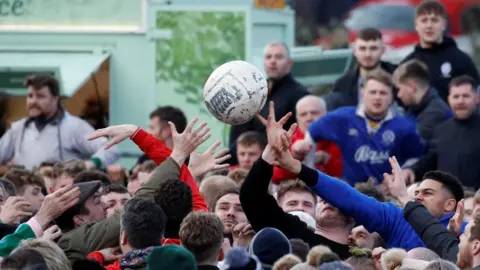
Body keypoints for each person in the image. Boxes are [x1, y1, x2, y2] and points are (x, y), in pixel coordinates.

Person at [257, 102, 464, 252]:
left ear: (449, 205)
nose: (418, 197)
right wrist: (296, 166)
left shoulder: (466, 229)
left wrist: (453, 239)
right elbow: (348, 197)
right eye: (416, 192)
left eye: (427, 193)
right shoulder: (396, 218)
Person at [55, 117, 211, 263]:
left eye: (124, 200)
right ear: (79, 219)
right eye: (97, 201)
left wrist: (187, 174)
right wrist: (177, 155)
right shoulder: (71, 241)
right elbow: (137, 204)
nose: (105, 204)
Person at [295, 71, 424, 185]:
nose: (377, 97)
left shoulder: (404, 126)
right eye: (373, 92)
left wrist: (404, 172)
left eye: (383, 93)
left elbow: (417, 157)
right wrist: (309, 167)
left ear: (391, 98)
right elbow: (312, 132)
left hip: (387, 197)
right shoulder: (343, 118)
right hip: (351, 194)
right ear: (363, 95)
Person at [0, 74, 120, 170]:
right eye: (30, 96)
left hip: (62, 195)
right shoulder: (18, 128)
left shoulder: (74, 126)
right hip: (25, 196)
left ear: (55, 99)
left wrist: (90, 164)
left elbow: (111, 149)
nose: (33, 101)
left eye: (40, 96)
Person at [228, 41, 309, 165]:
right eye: (268, 57)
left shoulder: (300, 96)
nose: (273, 61)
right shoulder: (252, 92)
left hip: (280, 165)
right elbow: (237, 135)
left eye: (279, 57)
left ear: (289, 63)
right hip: (245, 164)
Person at [403, 75, 480, 189]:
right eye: (456, 96)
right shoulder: (441, 130)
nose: (460, 101)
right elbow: (430, 160)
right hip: (446, 199)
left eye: (465, 96)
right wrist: (412, 170)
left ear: (477, 98)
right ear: (449, 99)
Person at [401, 0, 480, 102]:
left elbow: (475, 97)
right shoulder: (408, 64)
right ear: (416, 25)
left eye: (434, 20)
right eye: (424, 20)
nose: (429, 25)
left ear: (444, 24)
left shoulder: (461, 60)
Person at [272, 95, 342, 184]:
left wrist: (327, 160)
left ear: (326, 115)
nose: (309, 118)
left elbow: (347, 176)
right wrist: (294, 158)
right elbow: (276, 178)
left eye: (314, 113)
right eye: (303, 114)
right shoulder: (287, 140)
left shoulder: (339, 138)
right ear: (297, 119)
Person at [323, 27, 397, 111]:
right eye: (362, 49)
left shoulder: (398, 76)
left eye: (373, 48)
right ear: (355, 51)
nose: (368, 54)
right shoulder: (344, 83)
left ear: (383, 50)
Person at [393, 59, 452, 144]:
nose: (398, 95)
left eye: (399, 89)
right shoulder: (416, 108)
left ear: (411, 86)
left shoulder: (435, 112)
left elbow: (410, 147)